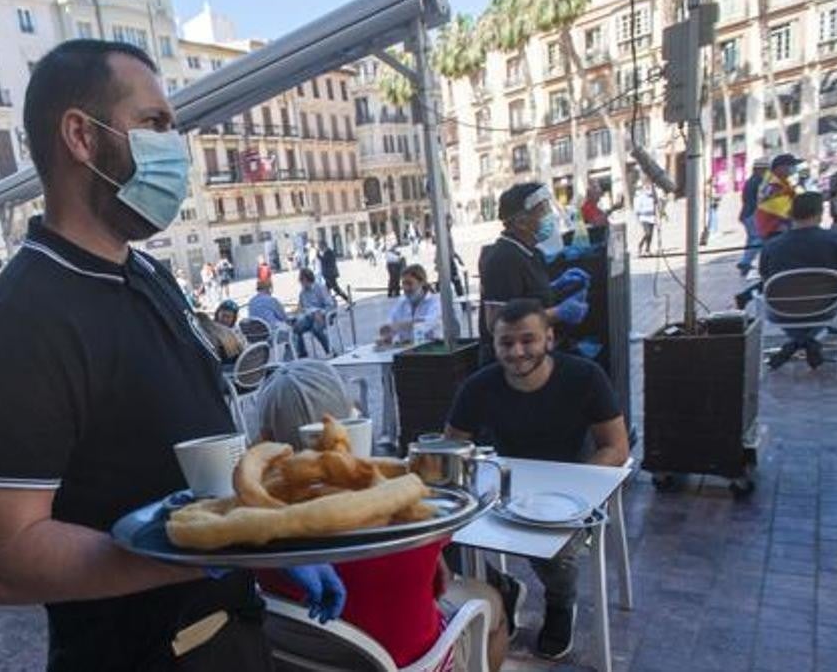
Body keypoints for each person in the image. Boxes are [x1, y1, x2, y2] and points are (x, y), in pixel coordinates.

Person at [0, 39, 341, 671]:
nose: (173, 146)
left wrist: (267, 531)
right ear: (81, 135)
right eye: (155, 123)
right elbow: (8, 559)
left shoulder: (146, 271)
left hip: (231, 638)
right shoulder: (20, 323)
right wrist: (209, 552)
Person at [255, 360, 510, 671]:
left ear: (266, 437)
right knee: (491, 602)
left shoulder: (253, 527)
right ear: (349, 420)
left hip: (307, 661)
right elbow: (440, 580)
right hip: (415, 664)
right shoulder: (404, 505)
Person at [445, 299, 629, 659]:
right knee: (444, 536)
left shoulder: (585, 377)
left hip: (571, 485)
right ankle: (503, 589)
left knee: (551, 544)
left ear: (549, 339)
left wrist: (574, 494)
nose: (516, 352)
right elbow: (452, 445)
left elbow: (615, 447)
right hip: (507, 486)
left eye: (527, 340)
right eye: (506, 343)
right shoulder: (480, 385)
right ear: (494, 345)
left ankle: (561, 604)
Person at [477, 182, 591, 365]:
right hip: (511, 363)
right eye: (543, 211)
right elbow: (497, 322)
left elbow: (526, 295)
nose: (549, 217)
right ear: (521, 222)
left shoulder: (532, 252)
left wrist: (555, 287)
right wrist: (558, 313)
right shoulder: (503, 258)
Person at [759, 193, 837, 370]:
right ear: (820, 213)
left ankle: (798, 342)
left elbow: (765, 280)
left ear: (791, 214)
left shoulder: (771, 246)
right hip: (826, 309)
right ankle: (806, 342)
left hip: (782, 311)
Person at [379, 264, 443, 346]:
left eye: (409, 283)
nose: (406, 288)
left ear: (422, 282)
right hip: (406, 352)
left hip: (432, 351)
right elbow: (391, 323)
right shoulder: (401, 302)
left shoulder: (435, 301)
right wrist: (387, 336)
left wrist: (398, 326)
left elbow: (427, 323)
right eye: (403, 283)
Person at [755, 153, 800, 239]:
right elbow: (787, 210)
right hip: (773, 229)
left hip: (779, 227)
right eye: (791, 165)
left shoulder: (783, 182)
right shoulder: (772, 184)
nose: (794, 168)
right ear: (780, 167)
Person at [737, 157, 769, 276]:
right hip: (752, 214)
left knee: (752, 239)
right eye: (766, 170)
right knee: (758, 238)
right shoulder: (758, 181)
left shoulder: (751, 180)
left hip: (746, 213)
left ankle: (746, 262)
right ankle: (745, 262)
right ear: (760, 169)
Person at [294, 268, 335, 358]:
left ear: (307, 280)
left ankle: (329, 350)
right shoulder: (302, 293)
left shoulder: (320, 288)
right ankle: (302, 353)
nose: (301, 283)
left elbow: (330, 305)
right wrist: (299, 312)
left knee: (316, 329)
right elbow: (303, 307)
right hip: (309, 317)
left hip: (322, 316)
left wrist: (320, 312)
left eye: (302, 281)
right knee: (296, 328)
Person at [317, 241, 351, 305]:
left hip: (330, 275)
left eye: (320, 246)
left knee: (336, 289)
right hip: (328, 275)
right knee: (327, 290)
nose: (319, 248)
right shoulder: (327, 252)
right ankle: (331, 303)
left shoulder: (329, 252)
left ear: (323, 246)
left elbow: (325, 261)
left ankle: (347, 300)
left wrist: (319, 256)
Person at [634, 183, 658, 256]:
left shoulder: (654, 196)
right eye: (647, 187)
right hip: (644, 217)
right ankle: (640, 245)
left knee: (650, 234)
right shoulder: (641, 196)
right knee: (647, 233)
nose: (649, 189)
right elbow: (637, 208)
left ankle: (647, 249)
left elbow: (657, 204)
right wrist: (637, 216)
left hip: (652, 217)